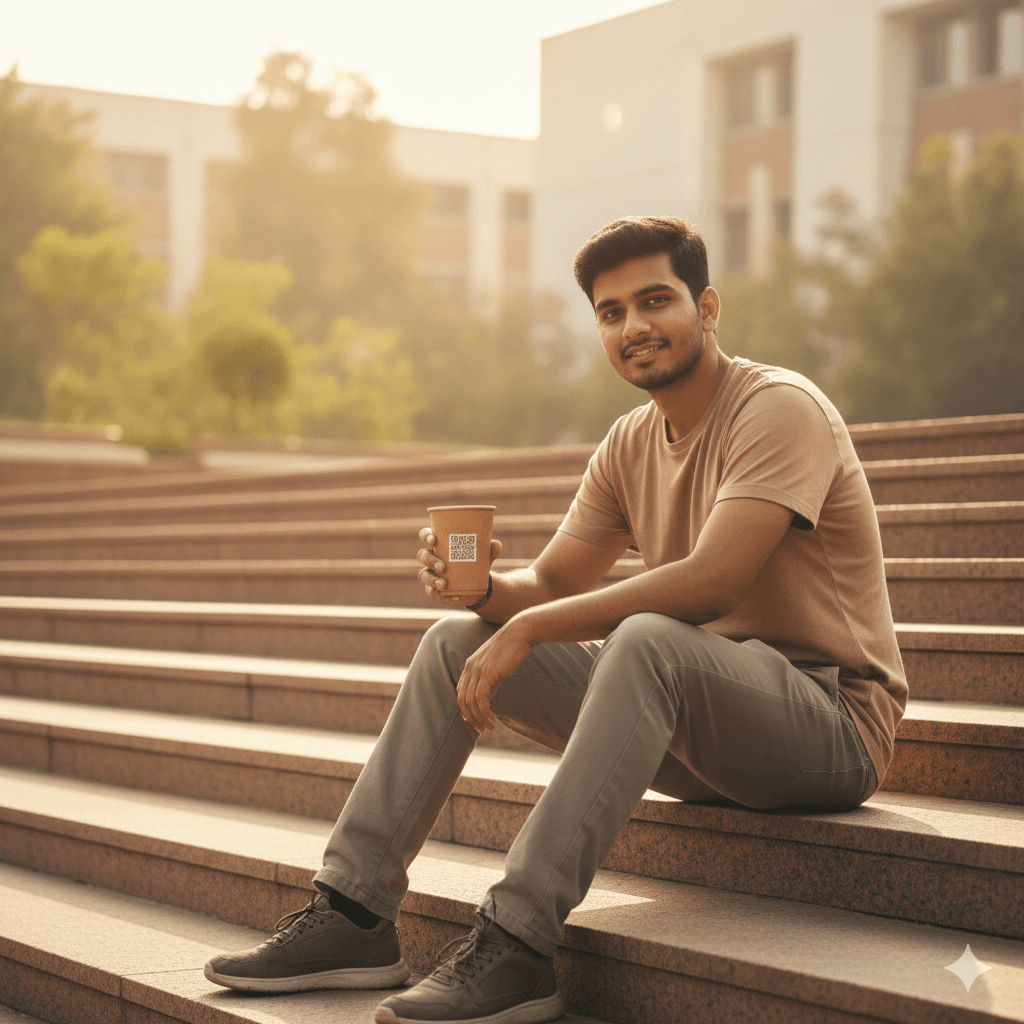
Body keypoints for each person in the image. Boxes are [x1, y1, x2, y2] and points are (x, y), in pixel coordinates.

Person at [204, 216, 907, 1024]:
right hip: (702, 727)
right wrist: (481, 594)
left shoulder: (778, 409)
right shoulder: (628, 442)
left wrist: (531, 629)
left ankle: (518, 944)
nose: (634, 326)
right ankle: (355, 917)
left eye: (655, 301)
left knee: (647, 641)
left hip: (830, 726)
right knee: (452, 645)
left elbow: (713, 582)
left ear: (707, 308)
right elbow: (547, 583)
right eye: (612, 312)